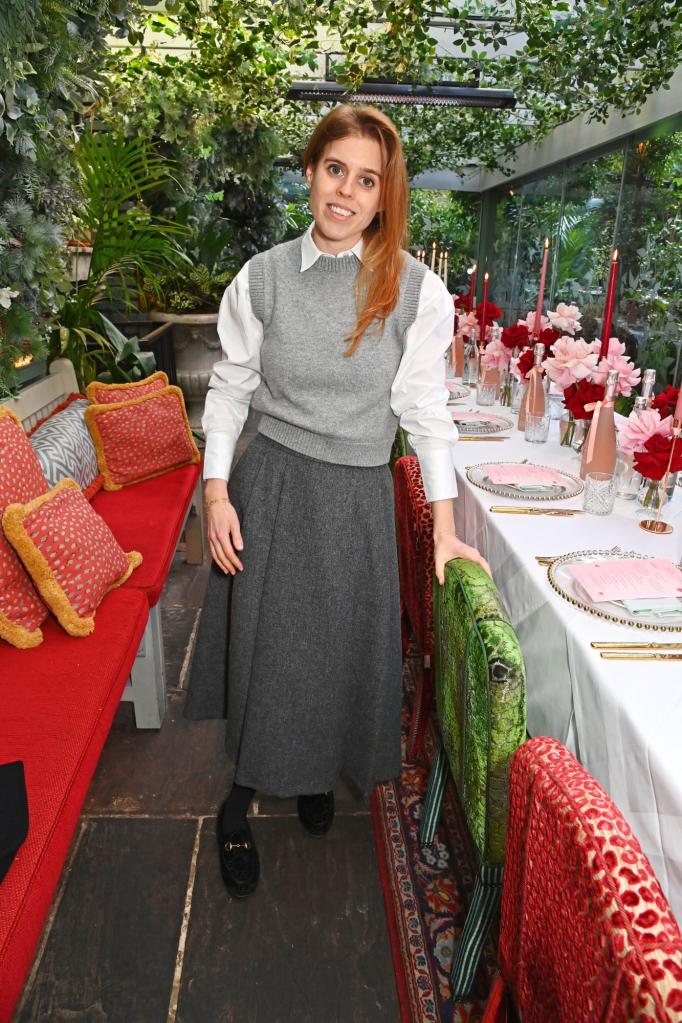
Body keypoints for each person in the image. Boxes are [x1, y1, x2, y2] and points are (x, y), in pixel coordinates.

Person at [184, 104, 489, 899]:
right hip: (274, 486)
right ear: (310, 170)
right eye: (334, 170)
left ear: (386, 196)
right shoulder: (261, 277)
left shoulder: (418, 293)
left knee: (334, 652)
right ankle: (239, 804)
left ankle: (314, 769)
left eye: (366, 180)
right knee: (267, 652)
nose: (345, 193)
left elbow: (426, 412)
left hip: (356, 499)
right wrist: (215, 492)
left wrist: (446, 529)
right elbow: (230, 388)